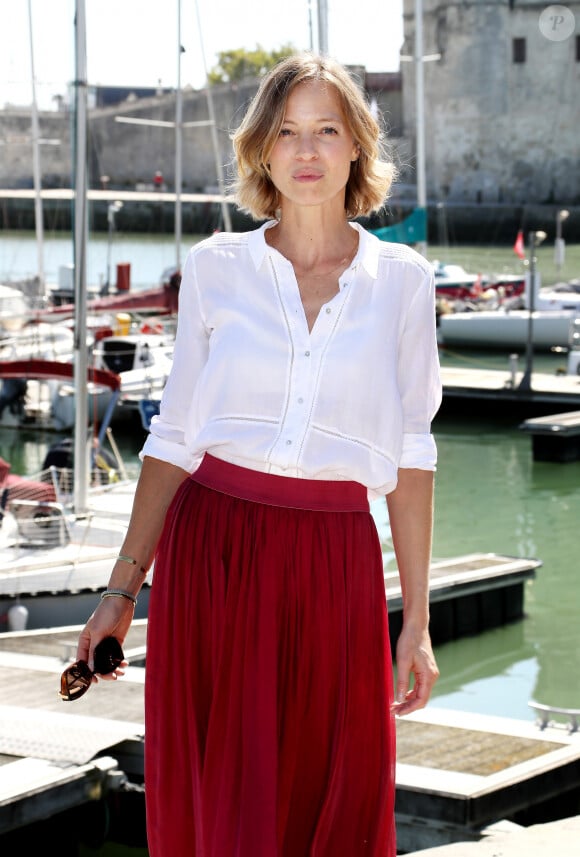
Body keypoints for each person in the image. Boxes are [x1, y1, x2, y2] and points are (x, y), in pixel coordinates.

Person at [73, 53, 442, 857]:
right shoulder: (215, 268)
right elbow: (173, 440)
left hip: (335, 563)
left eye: (326, 130)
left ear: (356, 146)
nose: (305, 150)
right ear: (262, 151)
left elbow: (413, 458)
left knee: (332, 803)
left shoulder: (405, 283)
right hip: (214, 555)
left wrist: (415, 620)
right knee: (224, 808)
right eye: (286, 131)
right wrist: (119, 591)